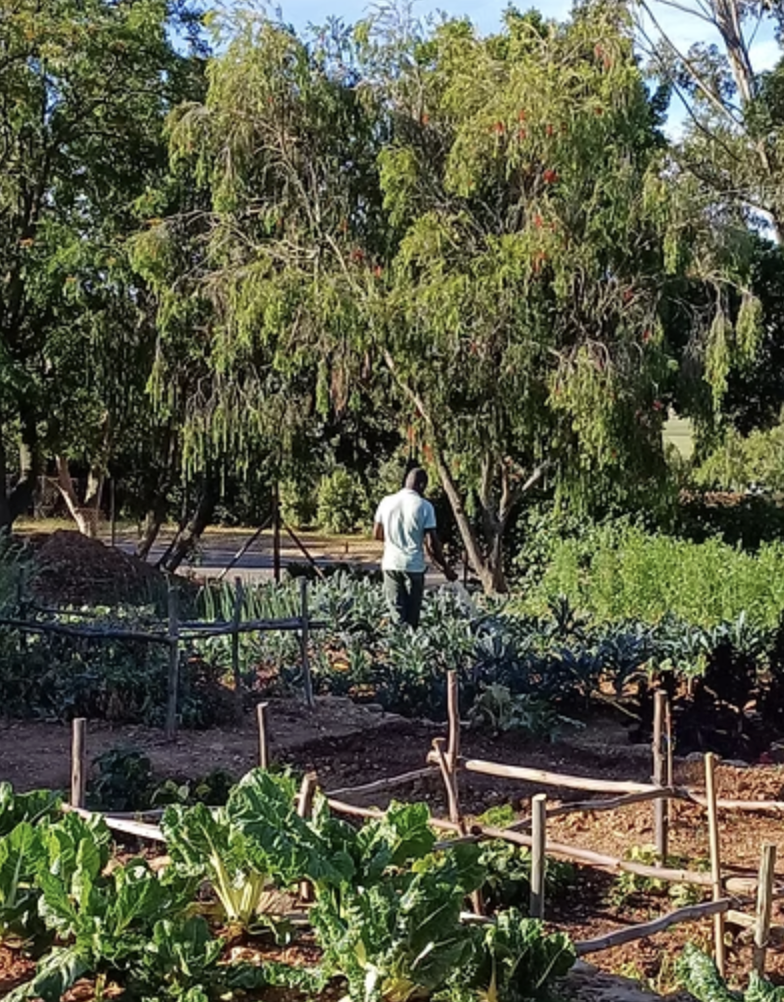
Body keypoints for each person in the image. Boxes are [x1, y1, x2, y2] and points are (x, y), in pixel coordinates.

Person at [373, 468, 457, 628]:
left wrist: (394, 539)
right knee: (412, 618)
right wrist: (446, 569)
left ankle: (398, 647)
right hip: (414, 567)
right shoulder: (425, 506)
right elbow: (432, 544)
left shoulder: (386, 501)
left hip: (391, 564)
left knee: (397, 614)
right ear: (422, 485)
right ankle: (412, 649)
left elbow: (377, 534)